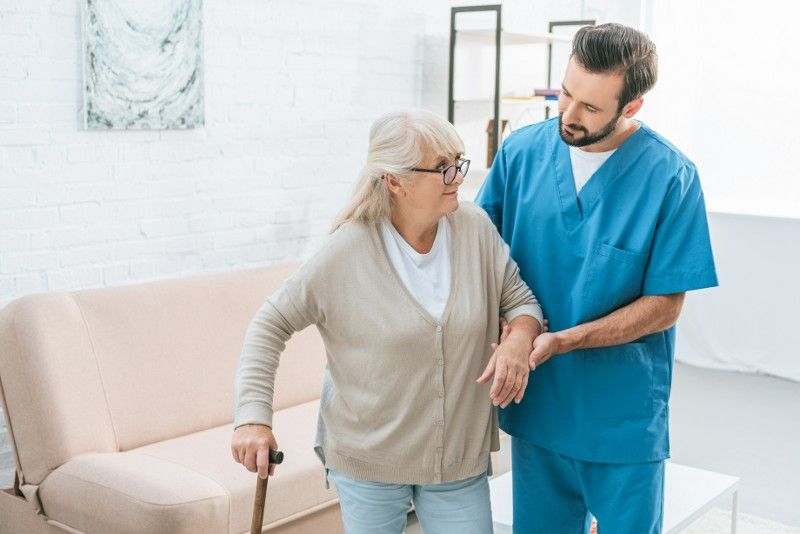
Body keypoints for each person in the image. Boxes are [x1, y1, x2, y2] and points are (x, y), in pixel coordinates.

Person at [232, 109, 544, 534]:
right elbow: (269, 325)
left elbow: (521, 301)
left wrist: (517, 342)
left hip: (457, 460)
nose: (457, 176)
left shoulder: (473, 227)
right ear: (393, 180)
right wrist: (253, 418)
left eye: (458, 161)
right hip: (369, 463)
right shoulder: (348, 250)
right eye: (441, 168)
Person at [476, 23, 718, 534]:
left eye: (590, 107)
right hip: (538, 407)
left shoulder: (671, 177)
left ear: (632, 108)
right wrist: (515, 331)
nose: (567, 114)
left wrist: (564, 340)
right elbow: (480, 258)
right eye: (566, 92)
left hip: (620, 419)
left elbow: (665, 305)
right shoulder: (521, 154)